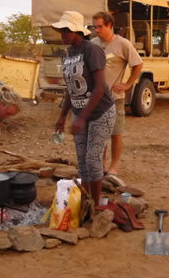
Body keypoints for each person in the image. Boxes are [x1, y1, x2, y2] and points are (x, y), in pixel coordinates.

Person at [52, 11, 116, 206]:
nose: (62, 34)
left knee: (93, 160)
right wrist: (63, 116)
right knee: (82, 163)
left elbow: (99, 88)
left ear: (77, 31)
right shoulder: (69, 53)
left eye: (66, 30)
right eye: (61, 30)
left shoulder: (92, 51)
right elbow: (71, 88)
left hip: (100, 112)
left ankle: (95, 206)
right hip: (80, 113)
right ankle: (86, 202)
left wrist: (81, 118)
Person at [91, 11, 143, 176]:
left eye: (100, 27)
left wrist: (128, 84)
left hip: (114, 99)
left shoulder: (123, 44)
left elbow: (138, 64)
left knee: (116, 133)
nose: (97, 30)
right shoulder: (92, 44)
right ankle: (102, 166)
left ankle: (113, 167)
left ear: (109, 25)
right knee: (100, 135)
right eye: (95, 27)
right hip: (96, 99)